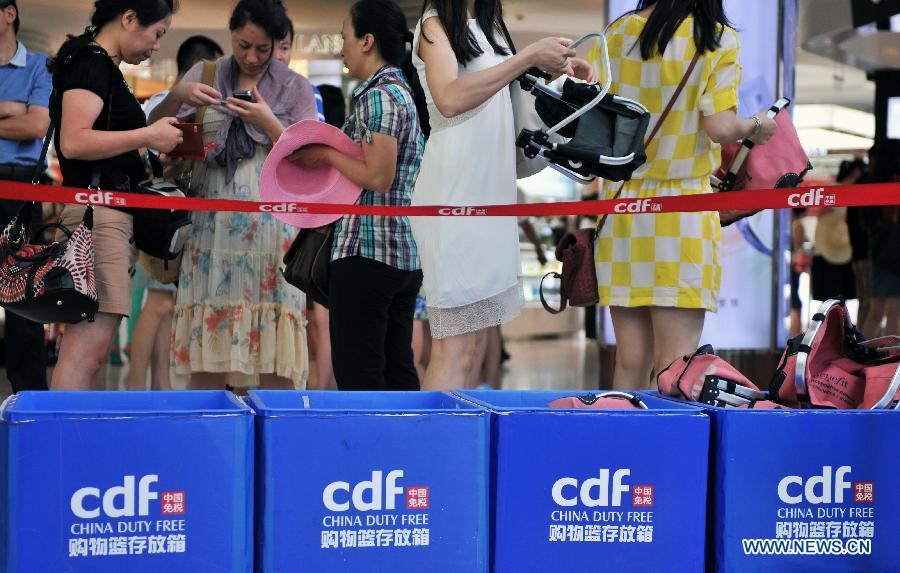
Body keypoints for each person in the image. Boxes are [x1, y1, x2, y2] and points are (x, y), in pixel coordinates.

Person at [596, 0, 777, 390]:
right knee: (674, 367)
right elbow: (720, 126)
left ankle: (615, 449)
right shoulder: (714, 37)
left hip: (622, 209)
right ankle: (666, 452)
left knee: (629, 361)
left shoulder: (619, 32)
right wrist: (759, 125)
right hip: (682, 212)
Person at [411, 0, 590, 390]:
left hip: (489, 191)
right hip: (454, 192)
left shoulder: (490, 25)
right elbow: (450, 98)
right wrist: (526, 57)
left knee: (472, 346)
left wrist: (565, 86)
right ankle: (436, 448)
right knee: (454, 348)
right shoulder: (434, 25)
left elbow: (510, 105)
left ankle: (459, 444)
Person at [151, 0, 317, 390]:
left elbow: (312, 158)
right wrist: (179, 95)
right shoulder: (207, 74)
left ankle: (271, 439)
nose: (252, 56)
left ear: (279, 43)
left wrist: (269, 122)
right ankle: (212, 437)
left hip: (272, 235)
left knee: (274, 359)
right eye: (244, 45)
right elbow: (153, 129)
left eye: (263, 48)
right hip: (210, 230)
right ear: (231, 35)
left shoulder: (295, 88)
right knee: (208, 352)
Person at [289, 0, 426, 391]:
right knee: (395, 369)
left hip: (369, 251)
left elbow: (377, 176)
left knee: (360, 374)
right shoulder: (401, 92)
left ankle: (368, 451)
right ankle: (401, 450)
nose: (341, 46)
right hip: (400, 252)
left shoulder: (379, 96)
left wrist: (324, 154)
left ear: (367, 41)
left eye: (345, 37)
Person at [48, 0, 184, 390]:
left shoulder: (98, 65)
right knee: (84, 352)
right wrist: (147, 136)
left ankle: (70, 442)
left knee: (89, 350)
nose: (157, 45)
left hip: (103, 216)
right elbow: (73, 142)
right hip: (97, 217)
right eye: (156, 33)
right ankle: (64, 446)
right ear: (128, 19)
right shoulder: (92, 64)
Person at [127, 35, 223, 391]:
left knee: (163, 306)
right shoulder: (162, 105)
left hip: (170, 216)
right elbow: (145, 154)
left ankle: (159, 384)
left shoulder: (168, 104)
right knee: (157, 304)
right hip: (160, 216)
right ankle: (137, 386)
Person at [0, 0, 52, 392]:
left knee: (23, 301)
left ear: (9, 13)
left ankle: (29, 398)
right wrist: (9, 111)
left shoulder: (38, 66)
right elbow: (25, 118)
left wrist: (22, 115)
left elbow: (37, 123)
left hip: (20, 188)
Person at [861, 140, 900, 338]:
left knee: (875, 309)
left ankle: (864, 355)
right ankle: (894, 361)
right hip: (895, 250)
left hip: (879, 249)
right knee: (894, 309)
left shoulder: (873, 180)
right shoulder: (895, 181)